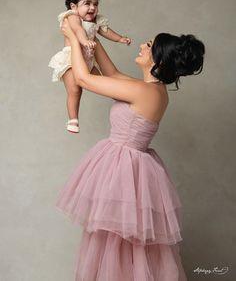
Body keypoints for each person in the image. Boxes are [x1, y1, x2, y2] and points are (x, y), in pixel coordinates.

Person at [56, 18, 205, 280]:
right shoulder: (151, 90)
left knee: (116, 243)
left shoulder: (144, 92)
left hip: (124, 172)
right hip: (131, 169)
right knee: (119, 243)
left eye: (149, 46)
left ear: (158, 60)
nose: (142, 46)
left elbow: (83, 79)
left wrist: (71, 34)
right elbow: (112, 74)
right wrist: (90, 36)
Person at [48, 0, 131, 133]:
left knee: (102, 82)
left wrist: (120, 38)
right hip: (71, 61)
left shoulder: (95, 20)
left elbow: (106, 31)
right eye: (87, 3)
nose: (92, 7)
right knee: (75, 90)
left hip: (88, 61)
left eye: (95, 3)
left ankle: (122, 97)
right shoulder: (72, 17)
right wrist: (85, 40)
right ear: (74, 6)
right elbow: (78, 30)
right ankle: (73, 119)